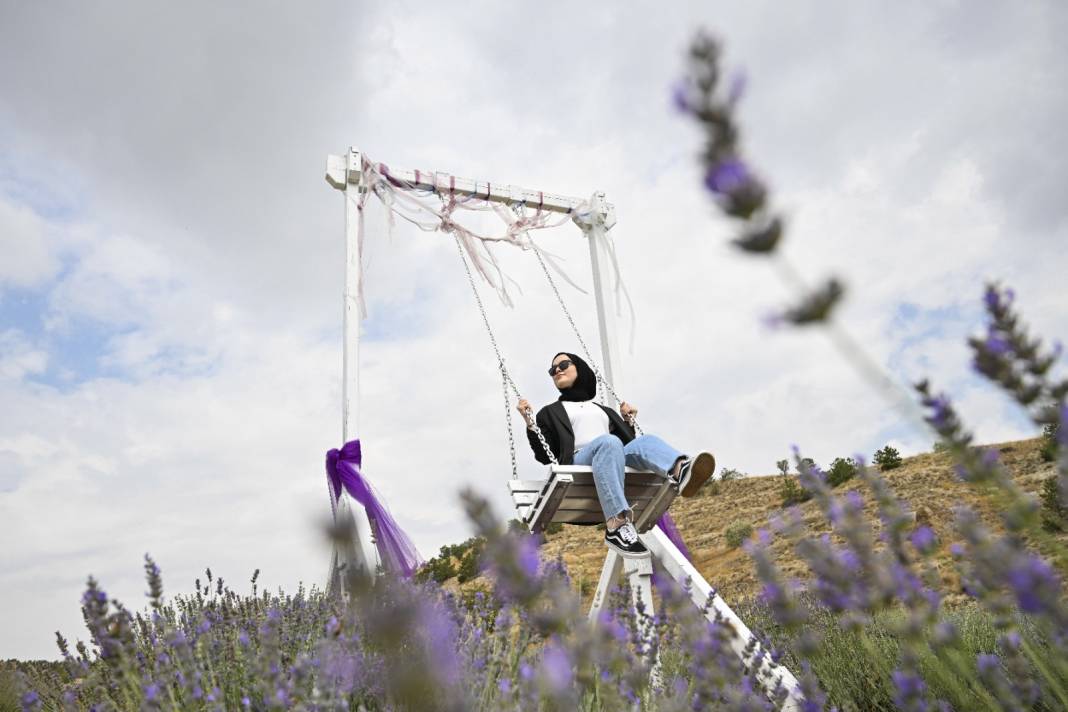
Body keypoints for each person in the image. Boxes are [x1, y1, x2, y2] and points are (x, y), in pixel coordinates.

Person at [517, 352, 715, 558]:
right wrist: (530, 424)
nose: (557, 370)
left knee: (645, 441)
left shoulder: (602, 410)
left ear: (580, 368)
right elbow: (543, 455)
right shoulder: (550, 412)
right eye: (552, 369)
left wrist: (628, 422)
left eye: (563, 364)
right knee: (608, 442)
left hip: (609, 456)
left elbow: (630, 447)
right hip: (578, 462)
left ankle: (681, 470)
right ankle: (616, 526)